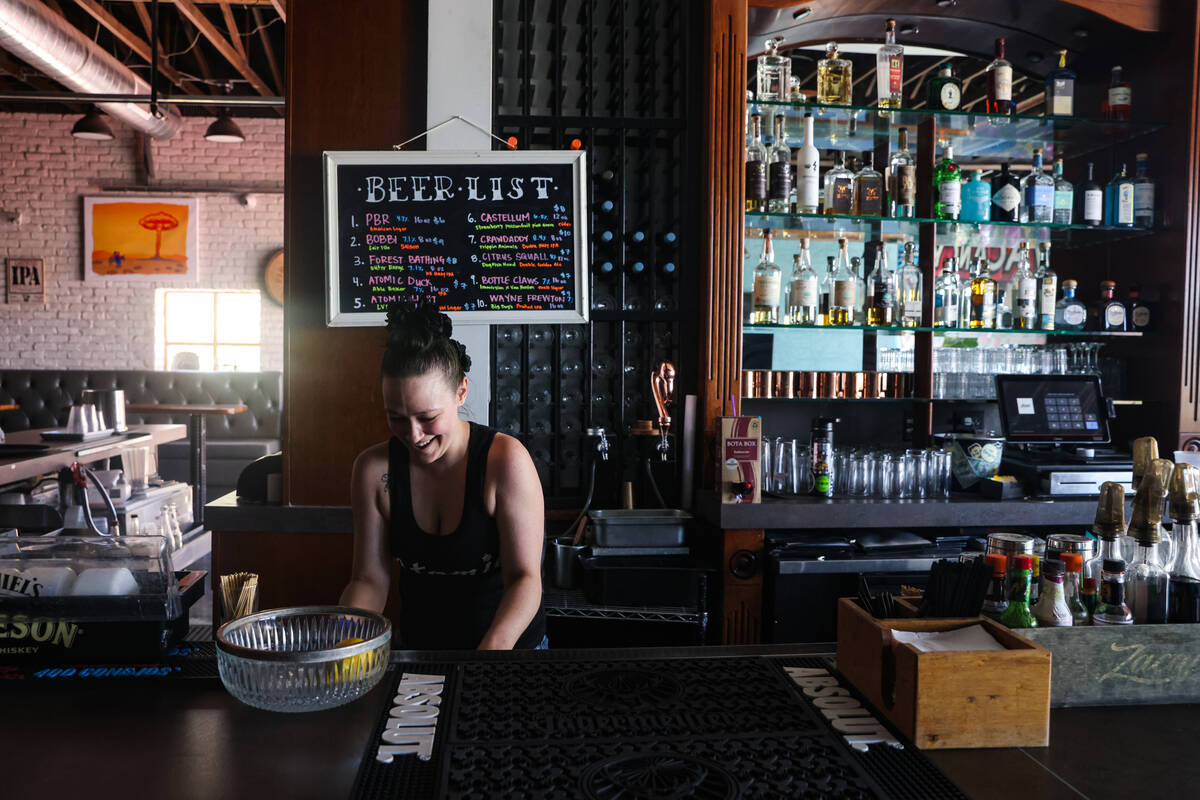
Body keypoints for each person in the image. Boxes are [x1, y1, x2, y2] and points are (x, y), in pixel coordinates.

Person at [339, 304, 547, 649]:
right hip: (421, 649)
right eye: (397, 418)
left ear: (461, 391)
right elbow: (369, 579)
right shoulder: (374, 471)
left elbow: (524, 578)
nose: (415, 434)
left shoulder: (504, 462)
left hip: (506, 651)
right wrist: (346, 639)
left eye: (427, 417)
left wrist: (492, 650)